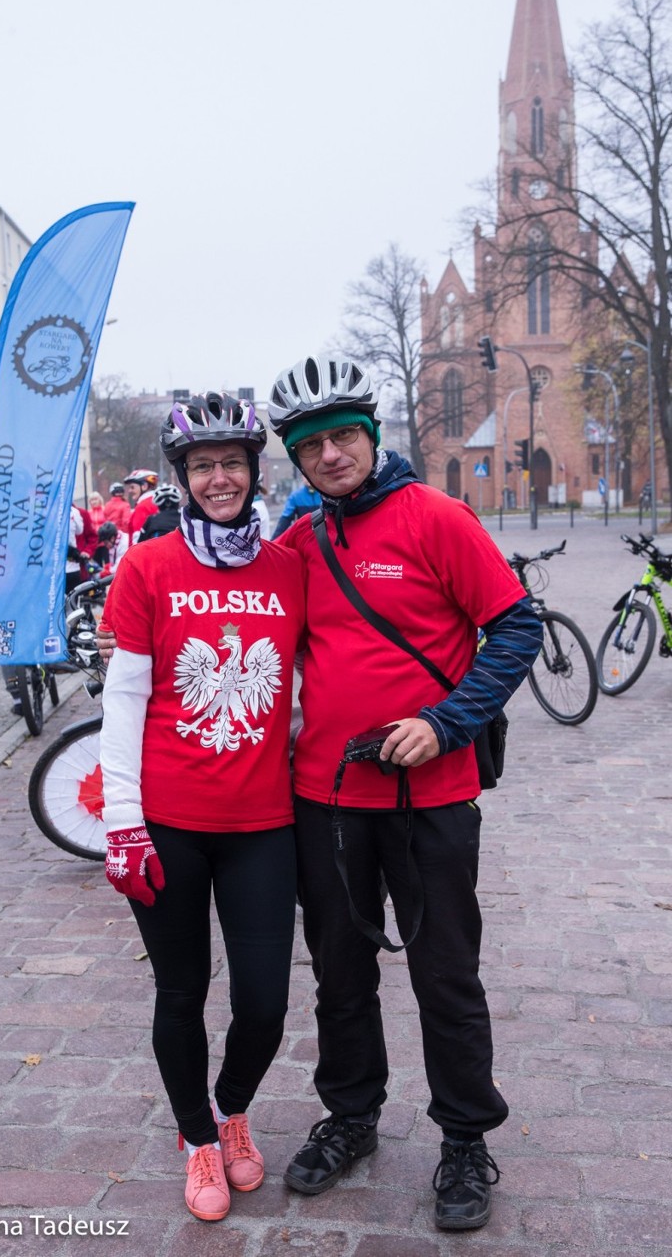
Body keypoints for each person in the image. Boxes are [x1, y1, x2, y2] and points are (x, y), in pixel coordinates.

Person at [266, 353, 542, 1232]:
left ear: (371, 436)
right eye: (313, 446)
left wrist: (449, 721)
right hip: (330, 798)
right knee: (340, 978)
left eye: (345, 436)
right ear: (298, 460)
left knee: (445, 975)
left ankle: (465, 1136)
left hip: (433, 796)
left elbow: (516, 624)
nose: (333, 455)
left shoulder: (436, 516)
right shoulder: (302, 543)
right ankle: (351, 1118)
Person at [99, 393, 305, 1224]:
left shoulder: (290, 566)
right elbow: (124, 700)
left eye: (232, 463)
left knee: (265, 1000)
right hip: (170, 823)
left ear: (256, 470)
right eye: (202, 466)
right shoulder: (148, 567)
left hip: (263, 823)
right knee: (182, 992)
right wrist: (121, 821)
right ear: (182, 478)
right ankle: (197, 1141)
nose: (219, 478)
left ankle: (231, 1109)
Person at [123, 468, 159, 542]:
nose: (130, 491)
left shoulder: (142, 507)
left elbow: (138, 538)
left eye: (132, 487)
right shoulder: (157, 502)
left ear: (144, 486)